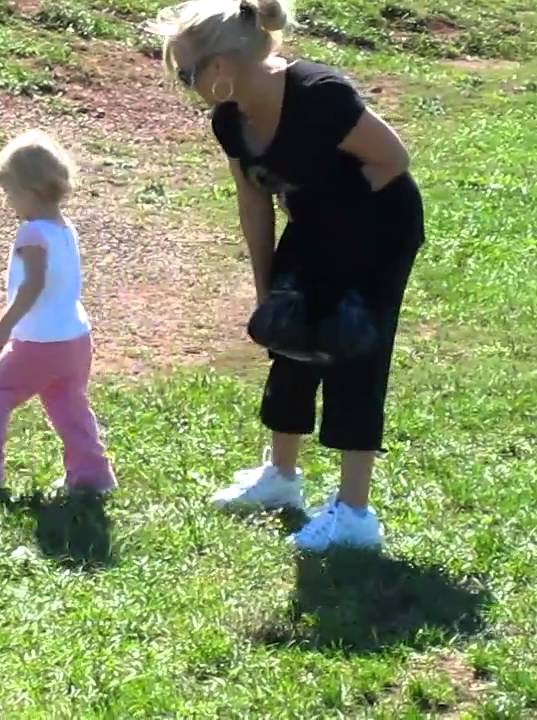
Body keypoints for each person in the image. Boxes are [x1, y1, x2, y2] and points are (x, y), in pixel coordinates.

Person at [150, 0, 424, 551]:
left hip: (377, 227)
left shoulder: (319, 96)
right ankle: (282, 478)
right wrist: (267, 288)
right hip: (318, 222)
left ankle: (354, 514)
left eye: (186, 73)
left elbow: (393, 158)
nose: (183, 85)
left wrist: (330, 215)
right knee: (290, 341)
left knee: (353, 349)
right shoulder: (230, 119)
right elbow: (253, 200)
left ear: (221, 67)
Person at [0, 130, 117, 495]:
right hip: (75, 338)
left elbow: (32, 285)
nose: (8, 202)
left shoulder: (31, 234)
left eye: (10, 191)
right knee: (68, 405)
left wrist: (3, 326)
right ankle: (92, 474)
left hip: (40, 341)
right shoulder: (65, 229)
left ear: (31, 191)